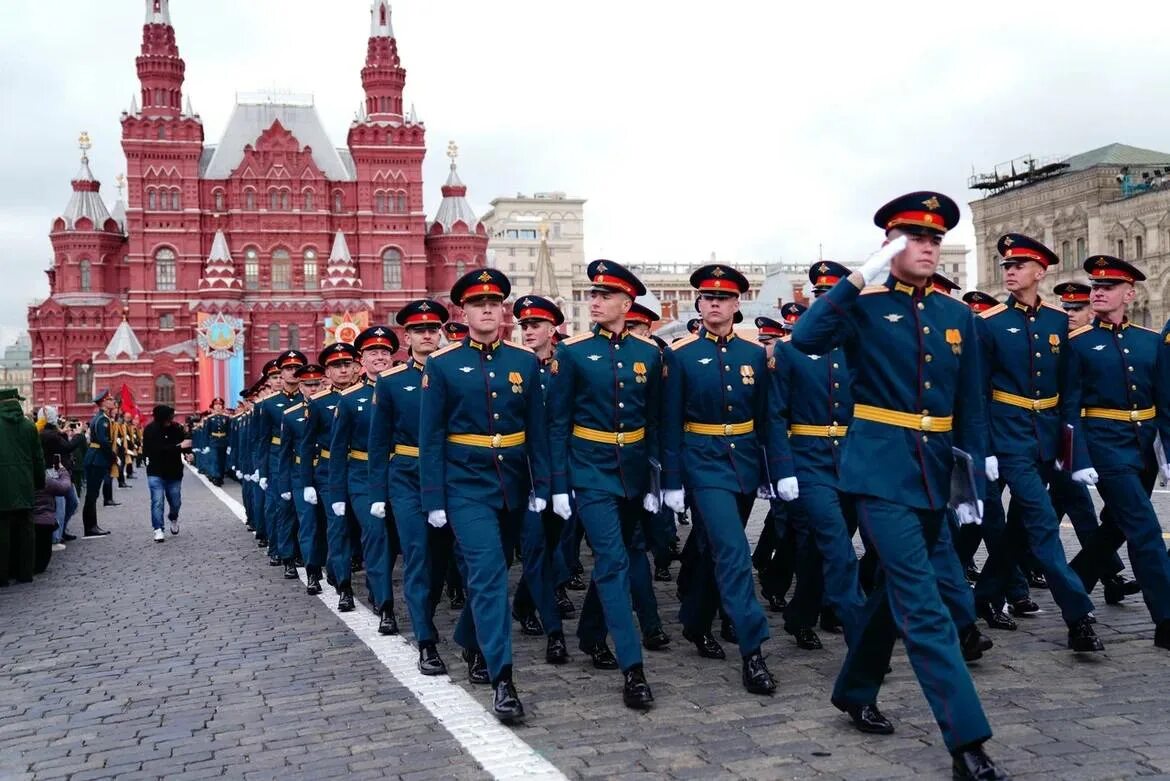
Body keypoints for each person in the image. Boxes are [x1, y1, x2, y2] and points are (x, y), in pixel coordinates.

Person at [791, 192, 1004, 780]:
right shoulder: (864, 304)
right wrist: (858, 277)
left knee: (892, 591)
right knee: (924, 603)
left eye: (935, 239)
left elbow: (970, 406)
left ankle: (855, 688)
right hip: (879, 473)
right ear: (890, 244)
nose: (929, 247)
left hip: (935, 473)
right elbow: (805, 339)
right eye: (915, 238)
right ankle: (968, 743)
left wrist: (976, 475)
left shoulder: (957, 316)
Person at [419, 268, 551, 721]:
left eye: (495, 303)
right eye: (478, 304)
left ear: (504, 310)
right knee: (490, 573)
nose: (488, 310)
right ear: (464, 311)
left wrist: (542, 487)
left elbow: (537, 432)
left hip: (513, 485)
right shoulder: (443, 364)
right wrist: (434, 499)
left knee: (498, 568)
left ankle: (470, 640)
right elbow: (431, 436)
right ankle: (503, 679)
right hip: (464, 486)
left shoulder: (523, 362)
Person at [971, 234, 1102, 652]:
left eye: (1018, 265)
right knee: (1043, 522)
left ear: (1039, 272)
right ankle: (1079, 616)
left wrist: (1072, 449)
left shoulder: (1056, 324)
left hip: (1048, 435)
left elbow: (1069, 395)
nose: (1009, 271)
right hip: (1008, 436)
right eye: (1006, 265)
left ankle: (984, 595)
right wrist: (984, 448)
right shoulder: (988, 323)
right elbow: (975, 392)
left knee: (1017, 529)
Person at [662, 263, 781, 695]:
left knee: (712, 546)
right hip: (702, 463)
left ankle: (695, 620)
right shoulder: (681, 355)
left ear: (736, 305)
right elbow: (670, 421)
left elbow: (768, 418)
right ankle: (753, 651)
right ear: (699, 303)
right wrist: (672, 480)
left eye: (723, 298)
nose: (714, 303)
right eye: (708, 297)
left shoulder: (754, 354)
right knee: (734, 550)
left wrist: (776, 472)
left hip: (745, 463)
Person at [547, 259, 659, 710]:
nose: (593, 301)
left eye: (604, 295)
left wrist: (658, 479)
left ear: (627, 303)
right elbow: (557, 423)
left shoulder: (649, 354)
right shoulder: (572, 353)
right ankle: (634, 669)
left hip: (631, 469)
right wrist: (558, 483)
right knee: (612, 559)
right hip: (588, 469)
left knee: (620, 557)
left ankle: (591, 632)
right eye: (591, 294)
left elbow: (654, 421)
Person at [1063, 255, 1170, 650]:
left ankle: (1072, 585)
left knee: (1118, 527)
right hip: (1104, 444)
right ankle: (1166, 617)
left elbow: (1165, 402)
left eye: (1108, 287)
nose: (1099, 292)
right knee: (1144, 526)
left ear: (1130, 293)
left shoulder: (1149, 341)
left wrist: (1167, 454)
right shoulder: (1078, 343)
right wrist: (1079, 458)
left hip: (1142, 446)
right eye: (1095, 287)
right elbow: (1069, 406)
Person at [370, 299, 458, 674]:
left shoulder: (455, 373)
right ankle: (425, 639)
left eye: (432, 329)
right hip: (407, 475)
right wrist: (377, 493)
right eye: (419, 330)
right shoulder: (391, 382)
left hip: (450, 474)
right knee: (418, 554)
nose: (426, 334)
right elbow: (378, 441)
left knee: (444, 559)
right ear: (407, 338)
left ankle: (429, 608)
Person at [331, 327, 399, 633]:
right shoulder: (349, 399)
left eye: (385, 352)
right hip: (362, 478)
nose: (380, 357)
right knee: (376, 538)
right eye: (373, 353)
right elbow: (336, 451)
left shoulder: (406, 388)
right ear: (362, 361)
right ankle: (385, 605)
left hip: (401, 475)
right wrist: (336, 495)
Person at [307, 342, 361, 609]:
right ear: (327, 373)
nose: (343, 370)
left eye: (346, 364)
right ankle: (344, 587)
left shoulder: (371, 394)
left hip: (363, 470)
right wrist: (307, 481)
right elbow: (306, 444)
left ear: (355, 367)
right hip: (330, 474)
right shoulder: (318, 403)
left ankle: (341, 565)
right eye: (336, 366)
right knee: (338, 529)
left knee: (364, 530)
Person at [256, 350, 307, 574]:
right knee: (283, 509)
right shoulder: (268, 404)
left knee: (304, 510)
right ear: (281, 372)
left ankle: (302, 552)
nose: (293, 372)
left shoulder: (310, 399)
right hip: (279, 460)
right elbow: (262, 440)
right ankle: (285, 553)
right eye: (287, 369)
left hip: (306, 459)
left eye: (297, 368)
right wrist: (263, 471)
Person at [279, 364, 327, 590]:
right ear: (300, 386)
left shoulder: (333, 405)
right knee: (308, 525)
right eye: (308, 385)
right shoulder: (290, 415)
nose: (313, 388)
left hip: (327, 472)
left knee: (332, 525)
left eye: (317, 383)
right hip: (301, 475)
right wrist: (284, 484)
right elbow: (285, 453)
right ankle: (312, 573)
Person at [0, 388, 45, 587]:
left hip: (2, 487)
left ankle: (2, 576)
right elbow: (38, 458)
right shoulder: (29, 426)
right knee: (27, 530)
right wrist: (39, 482)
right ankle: (25, 573)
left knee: (3, 532)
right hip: (25, 484)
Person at [142, 404, 192, 542]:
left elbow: (185, 442)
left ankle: (173, 517)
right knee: (157, 501)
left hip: (173, 471)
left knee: (175, 501)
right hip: (155, 470)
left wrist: (188, 453)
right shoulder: (150, 430)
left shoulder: (177, 428)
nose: (171, 419)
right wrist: (179, 447)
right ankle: (158, 528)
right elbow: (157, 450)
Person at [39, 406, 83, 548]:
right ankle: (55, 538)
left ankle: (61, 530)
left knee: (73, 502)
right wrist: (78, 435)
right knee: (60, 507)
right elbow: (66, 447)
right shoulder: (49, 435)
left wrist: (62, 432)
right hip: (54, 473)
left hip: (60, 472)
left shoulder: (50, 433)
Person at [80, 389, 115, 536]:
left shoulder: (100, 418)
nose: (113, 401)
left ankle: (91, 526)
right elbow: (104, 442)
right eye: (110, 399)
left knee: (92, 495)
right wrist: (113, 457)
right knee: (92, 495)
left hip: (94, 457)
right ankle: (90, 527)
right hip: (97, 459)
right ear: (104, 403)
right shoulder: (103, 420)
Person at [204, 398, 231, 486]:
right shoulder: (210, 419)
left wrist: (229, 443)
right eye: (216, 405)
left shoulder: (226, 418)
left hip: (223, 441)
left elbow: (229, 431)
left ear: (222, 407)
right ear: (213, 407)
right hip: (214, 441)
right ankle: (216, 476)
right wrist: (206, 444)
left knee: (222, 460)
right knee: (215, 459)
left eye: (220, 405)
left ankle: (221, 476)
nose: (218, 406)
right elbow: (206, 432)